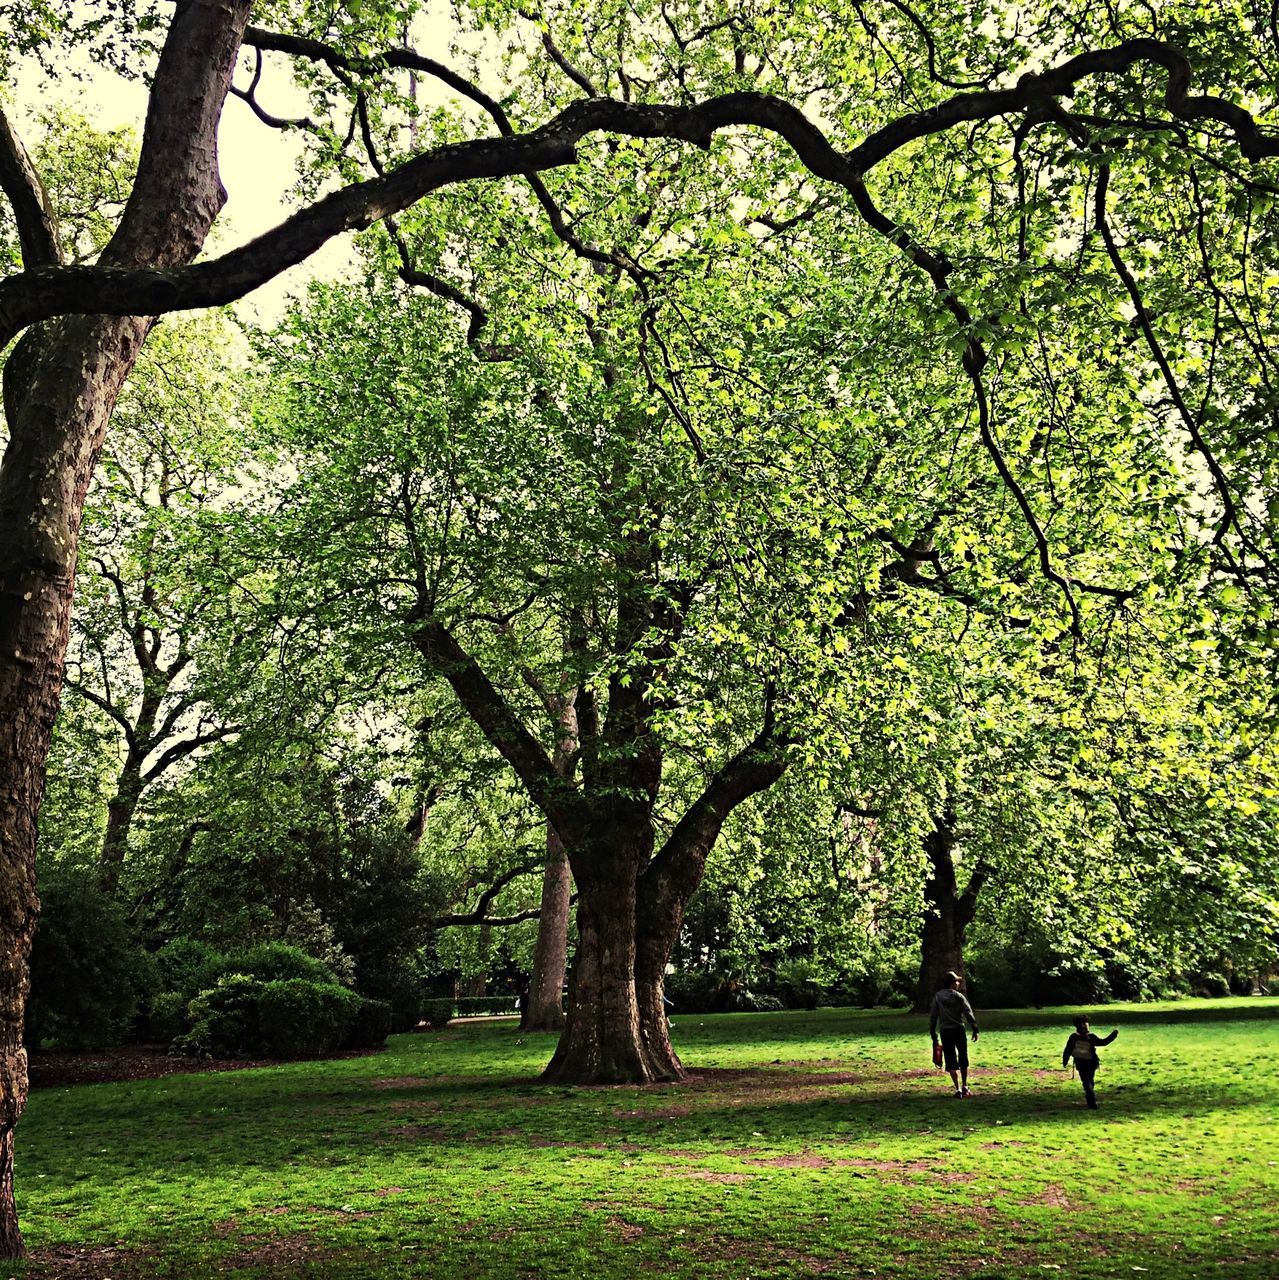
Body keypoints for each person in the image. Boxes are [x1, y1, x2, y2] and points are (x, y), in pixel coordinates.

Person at [929, 970, 979, 1097]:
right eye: (957, 981)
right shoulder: (959, 997)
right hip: (958, 1029)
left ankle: (957, 1089)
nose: (958, 983)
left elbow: (934, 1016)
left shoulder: (938, 997)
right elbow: (968, 1013)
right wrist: (974, 1028)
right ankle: (965, 1086)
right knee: (963, 1057)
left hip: (945, 1031)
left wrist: (933, 1034)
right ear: (952, 983)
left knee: (950, 1059)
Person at [1061, 1016, 1118, 1109]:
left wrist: (1065, 1060)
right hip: (1091, 1063)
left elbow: (1068, 1049)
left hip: (1080, 1063)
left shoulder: (1074, 1037)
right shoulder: (1091, 1037)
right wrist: (1114, 1035)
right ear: (1084, 1024)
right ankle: (1091, 1101)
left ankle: (1090, 1100)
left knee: (1086, 1082)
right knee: (1089, 1081)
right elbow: (1103, 1042)